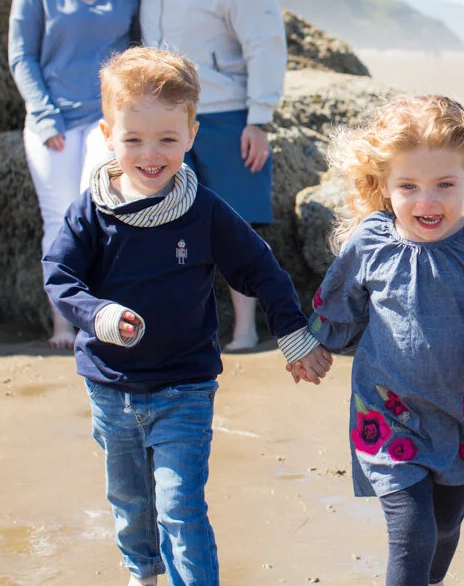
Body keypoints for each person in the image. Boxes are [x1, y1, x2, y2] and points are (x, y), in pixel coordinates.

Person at [43, 47, 331, 586]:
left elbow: (261, 270)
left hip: (185, 387)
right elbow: (59, 276)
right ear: (108, 134)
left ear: (192, 134)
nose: (150, 154)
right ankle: (142, 572)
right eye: (133, 140)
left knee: (180, 506)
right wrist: (99, 315)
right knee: (130, 501)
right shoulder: (91, 210)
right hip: (111, 387)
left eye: (167, 140)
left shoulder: (203, 211)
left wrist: (293, 335)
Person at [288, 94, 464, 586]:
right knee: (412, 530)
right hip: (385, 412)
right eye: (409, 186)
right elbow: (337, 303)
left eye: (444, 184)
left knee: (445, 524)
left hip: (458, 415)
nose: (427, 201)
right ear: (383, 186)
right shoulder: (370, 241)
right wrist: (314, 346)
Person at [131, 0, 287, 351]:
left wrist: (259, 120)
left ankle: (244, 328)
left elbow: (265, 45)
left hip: (225, 113)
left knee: (237, 225)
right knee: (162, 221)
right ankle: (175, 328)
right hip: (161, 118)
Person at [8, 0, 143, 347]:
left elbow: (133, 53)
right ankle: (63, 323)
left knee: (103, 210)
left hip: (106, 121)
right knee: (59, 218)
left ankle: (102, 318)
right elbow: (21, 56)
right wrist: (45, 117)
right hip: (53, 123)